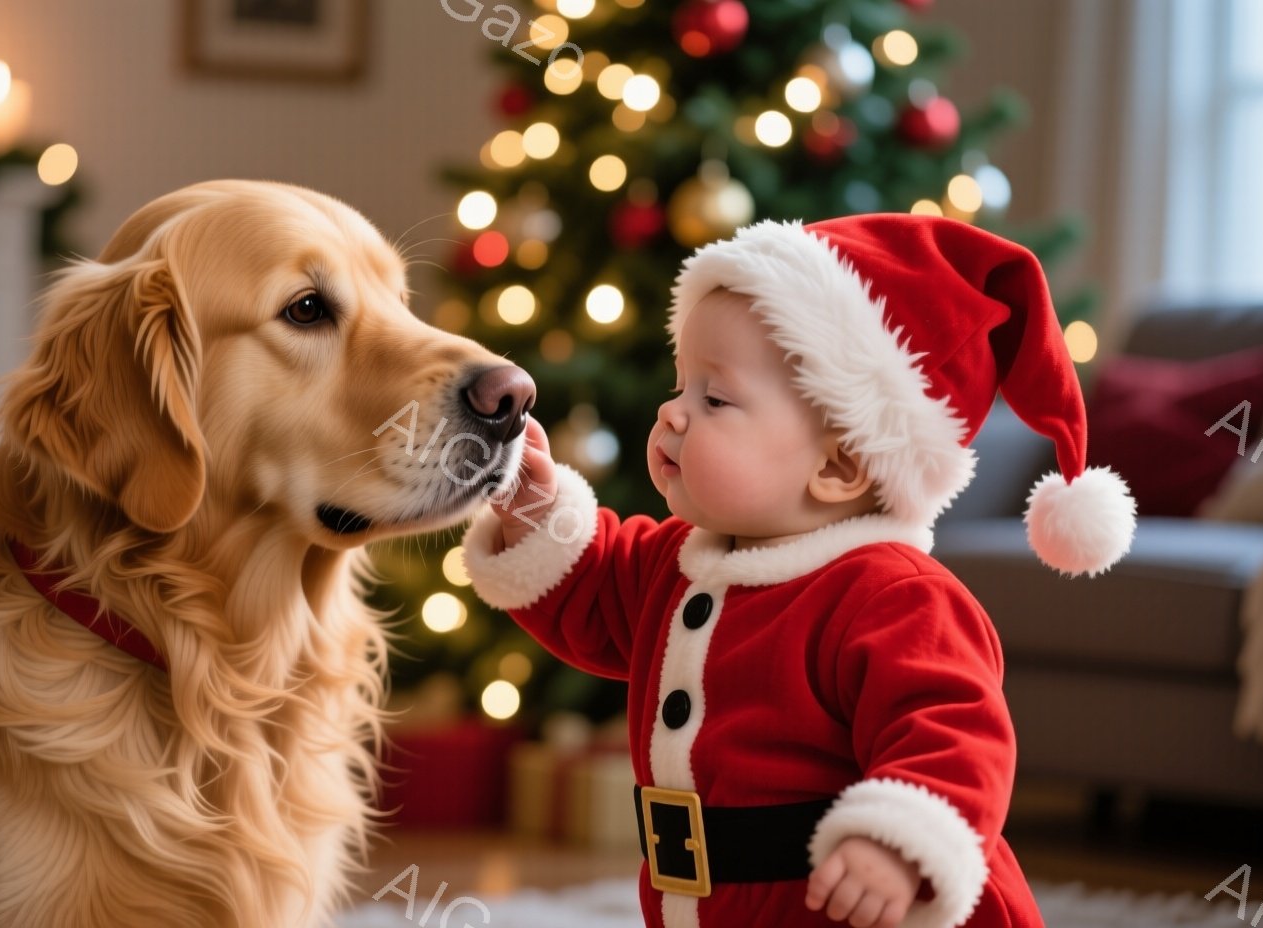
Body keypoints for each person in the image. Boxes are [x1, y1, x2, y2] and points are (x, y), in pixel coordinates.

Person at [461, 215, 1138, 928]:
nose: (672, 413)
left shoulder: (893, 595)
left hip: (848, 905)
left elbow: (953, 732)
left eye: (713, 399)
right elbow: (592, 585)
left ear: (839, 466)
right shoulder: (676, 560)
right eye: (681, 384)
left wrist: (897, 842)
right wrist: (539, 515)